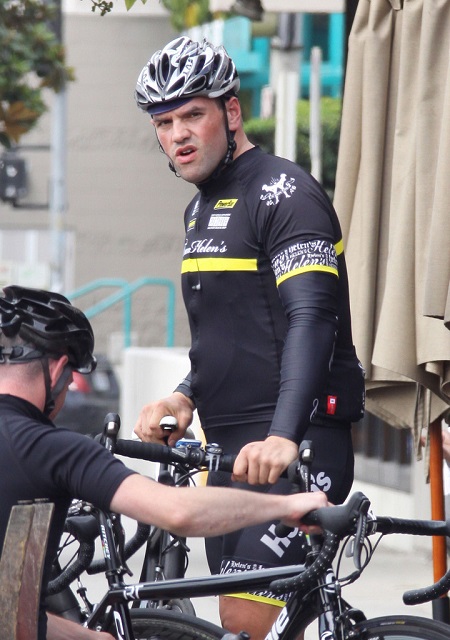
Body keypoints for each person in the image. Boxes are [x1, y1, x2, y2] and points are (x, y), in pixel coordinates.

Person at [133, 37, 365, 640]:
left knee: (239, 624)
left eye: (193, 114)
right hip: (229, 452)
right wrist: (185, 395)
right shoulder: (198, 209)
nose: (178, 134)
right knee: (234, 622)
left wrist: (286, 436)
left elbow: (313, 319)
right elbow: (232, 327)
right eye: (164, 122)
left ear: (231, 113)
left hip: (295, 446)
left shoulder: (286, 194)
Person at [0, 285, 328, 640]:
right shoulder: (50, 448)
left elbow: (13, 616)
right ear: (59, 371)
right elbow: (178, 512)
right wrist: (284, 505)